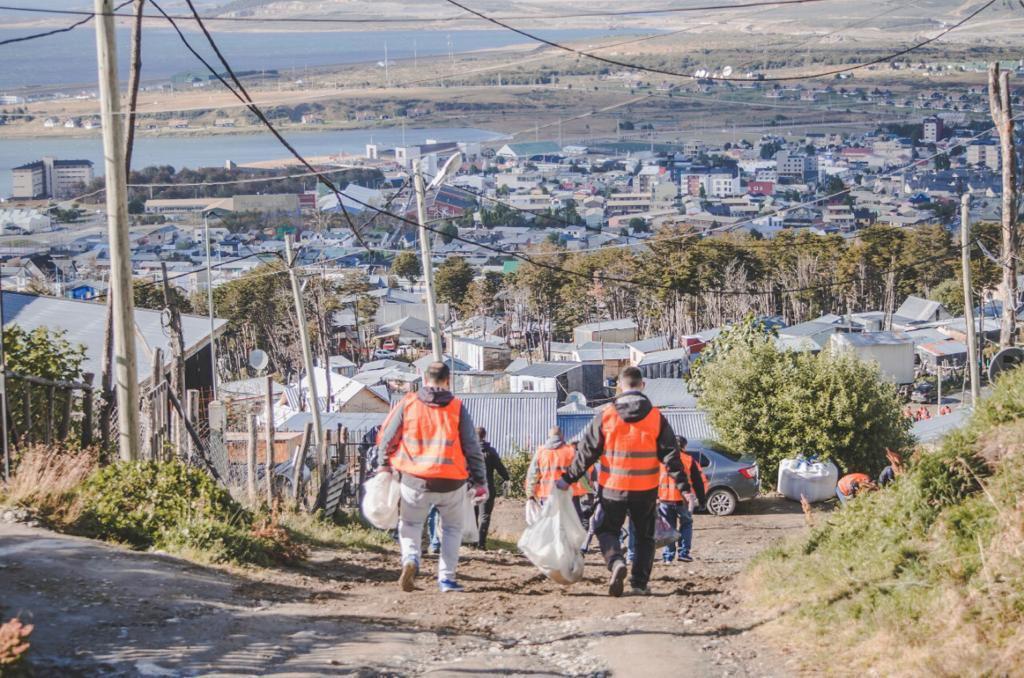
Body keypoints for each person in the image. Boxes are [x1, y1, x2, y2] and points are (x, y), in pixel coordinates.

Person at [557, 366, 690, 597]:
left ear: (620, 385)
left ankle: (616, 561)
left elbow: (586, 453)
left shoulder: (607, 416)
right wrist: (685, 488)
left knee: (605, 528)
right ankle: (639, 583)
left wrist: (568, 478)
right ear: (642, 386)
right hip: (646, 489)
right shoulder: (656, 417)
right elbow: (671, 456)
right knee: (644, 536)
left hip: (612, 488)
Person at [376, 362, 488, 593]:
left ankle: (411, 559)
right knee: (451, 529)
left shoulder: (409, 404)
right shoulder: (457, 407)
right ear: (447, 381)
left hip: (415, 479)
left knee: (410, 524)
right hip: (451, 482)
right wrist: (480, 481)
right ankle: (446, 579)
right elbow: (472, 447)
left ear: (424, 379)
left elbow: (389, 438)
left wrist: (383, 465)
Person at [658, 437, 707, 564]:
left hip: (664, 499)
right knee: (686, 524)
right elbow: (698, 482)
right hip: (683, 500)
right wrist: (702, 501)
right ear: (684, 446)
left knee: (668, 529)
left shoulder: (661, 460)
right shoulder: (689, 459)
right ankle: (684, 553)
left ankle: (668, 557)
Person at [525, 426, 587, 506]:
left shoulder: (540, 452)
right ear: (562, 436)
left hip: (547, 495)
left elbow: (532, 475)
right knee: (571, 518)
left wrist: (530, 494)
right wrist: (589, 490)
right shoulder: (571, 451)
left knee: (549, 518)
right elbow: (582, 471)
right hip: (569, 495)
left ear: (549, 436)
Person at [475, 426, 509, 550]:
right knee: (485, 515)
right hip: (487, 486)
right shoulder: (491, 451)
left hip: (473, 486)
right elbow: (500, 467)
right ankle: (481, 543)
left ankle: (472, 541)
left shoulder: (470, 451)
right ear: (485, 435)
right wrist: (506, 477)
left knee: (474, 513)